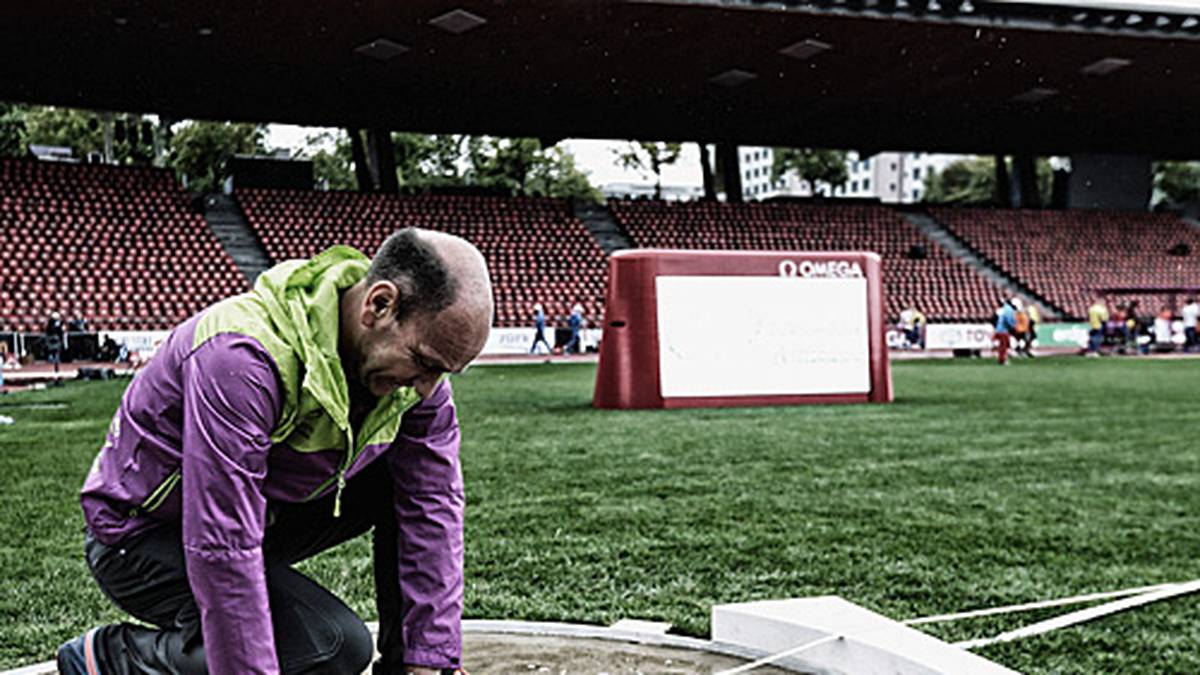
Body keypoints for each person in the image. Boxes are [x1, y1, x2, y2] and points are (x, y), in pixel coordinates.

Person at [57, 229, 492, 675]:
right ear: (379, 305)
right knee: (331, 647)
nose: (428, 388)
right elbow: (223, 540)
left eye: (444, 372)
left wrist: (429, 662)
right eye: (424, 362)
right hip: (141, 535)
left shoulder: (417, 384)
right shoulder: (239, 356)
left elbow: (431, 505)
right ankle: (113, 659)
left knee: (402, 485)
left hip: (262, 515)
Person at [993, 298, 1017, 365]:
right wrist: (1013, 327)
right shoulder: (1009, 309)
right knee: (1004, 346)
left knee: (1002, 346)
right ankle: (1003, 360)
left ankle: (1001, 359)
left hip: (999, 329)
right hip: (1004, 330)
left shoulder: (1004, 308)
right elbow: (1009, 320)